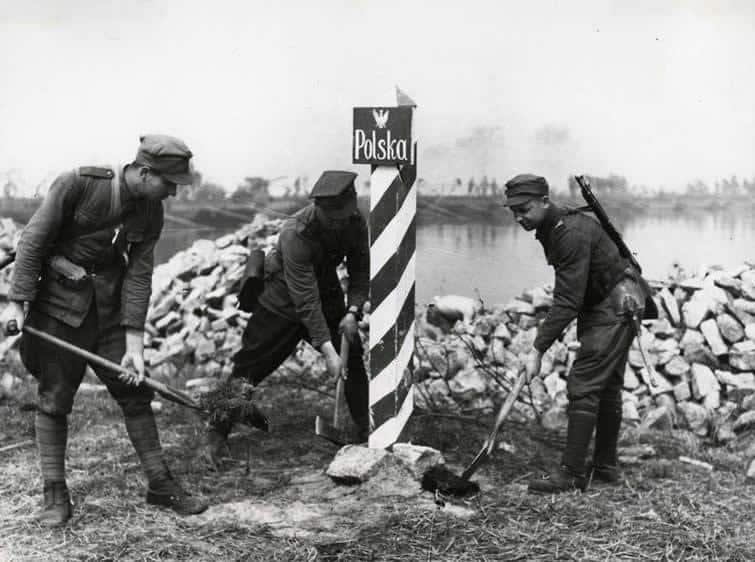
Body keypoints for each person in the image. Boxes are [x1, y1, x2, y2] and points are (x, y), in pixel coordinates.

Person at [2, 135, 208, 526]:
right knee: (54, 397)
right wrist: (17, 302)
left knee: (135, 390)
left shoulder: (151, 213)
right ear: (145, 173)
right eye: (169, 184)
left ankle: (160, 483)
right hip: (58, 312)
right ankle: (55, 494)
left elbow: (139, 275)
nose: (173, 193)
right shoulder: (79, 184)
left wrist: (135, 342)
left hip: (109, 313)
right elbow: (32, 242)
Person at [202, 170, 370, 463]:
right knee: (248, 366)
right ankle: (215, 433)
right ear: (318, 208)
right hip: (281, 300)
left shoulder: (355, 222)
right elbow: (305, 300)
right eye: (332, 218)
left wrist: (353, 311)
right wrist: (328, 349)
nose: (338, 223)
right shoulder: (295, 232)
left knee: (353, 358)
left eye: (344, 216)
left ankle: (366, 430)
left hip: (328, 295)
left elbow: (360, 271)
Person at [502, 174, 654, 494]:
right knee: (607, 385)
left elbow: (567, 300)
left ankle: (571, 475)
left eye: (524, 209)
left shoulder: (568, 232)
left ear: (545, 202)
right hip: (612, 301)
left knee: (584, 384)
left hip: (616, 305)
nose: (518, 217)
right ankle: (605, 467)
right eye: (513, 210)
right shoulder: (554, 226)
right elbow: (575, 294)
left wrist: (537, 350)